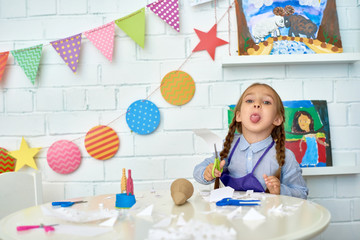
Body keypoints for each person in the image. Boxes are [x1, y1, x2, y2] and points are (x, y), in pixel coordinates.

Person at [193, 83, 308, 199]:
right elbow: (197, 171)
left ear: (277, 119)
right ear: (238, 116)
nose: (257, 104)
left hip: (268, 216)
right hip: (232, 214)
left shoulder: (286, 156)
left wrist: (281, 190)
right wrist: (207, 173)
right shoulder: (227, 147)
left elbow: (301, 193)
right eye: (249, 101)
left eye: (266, 102)